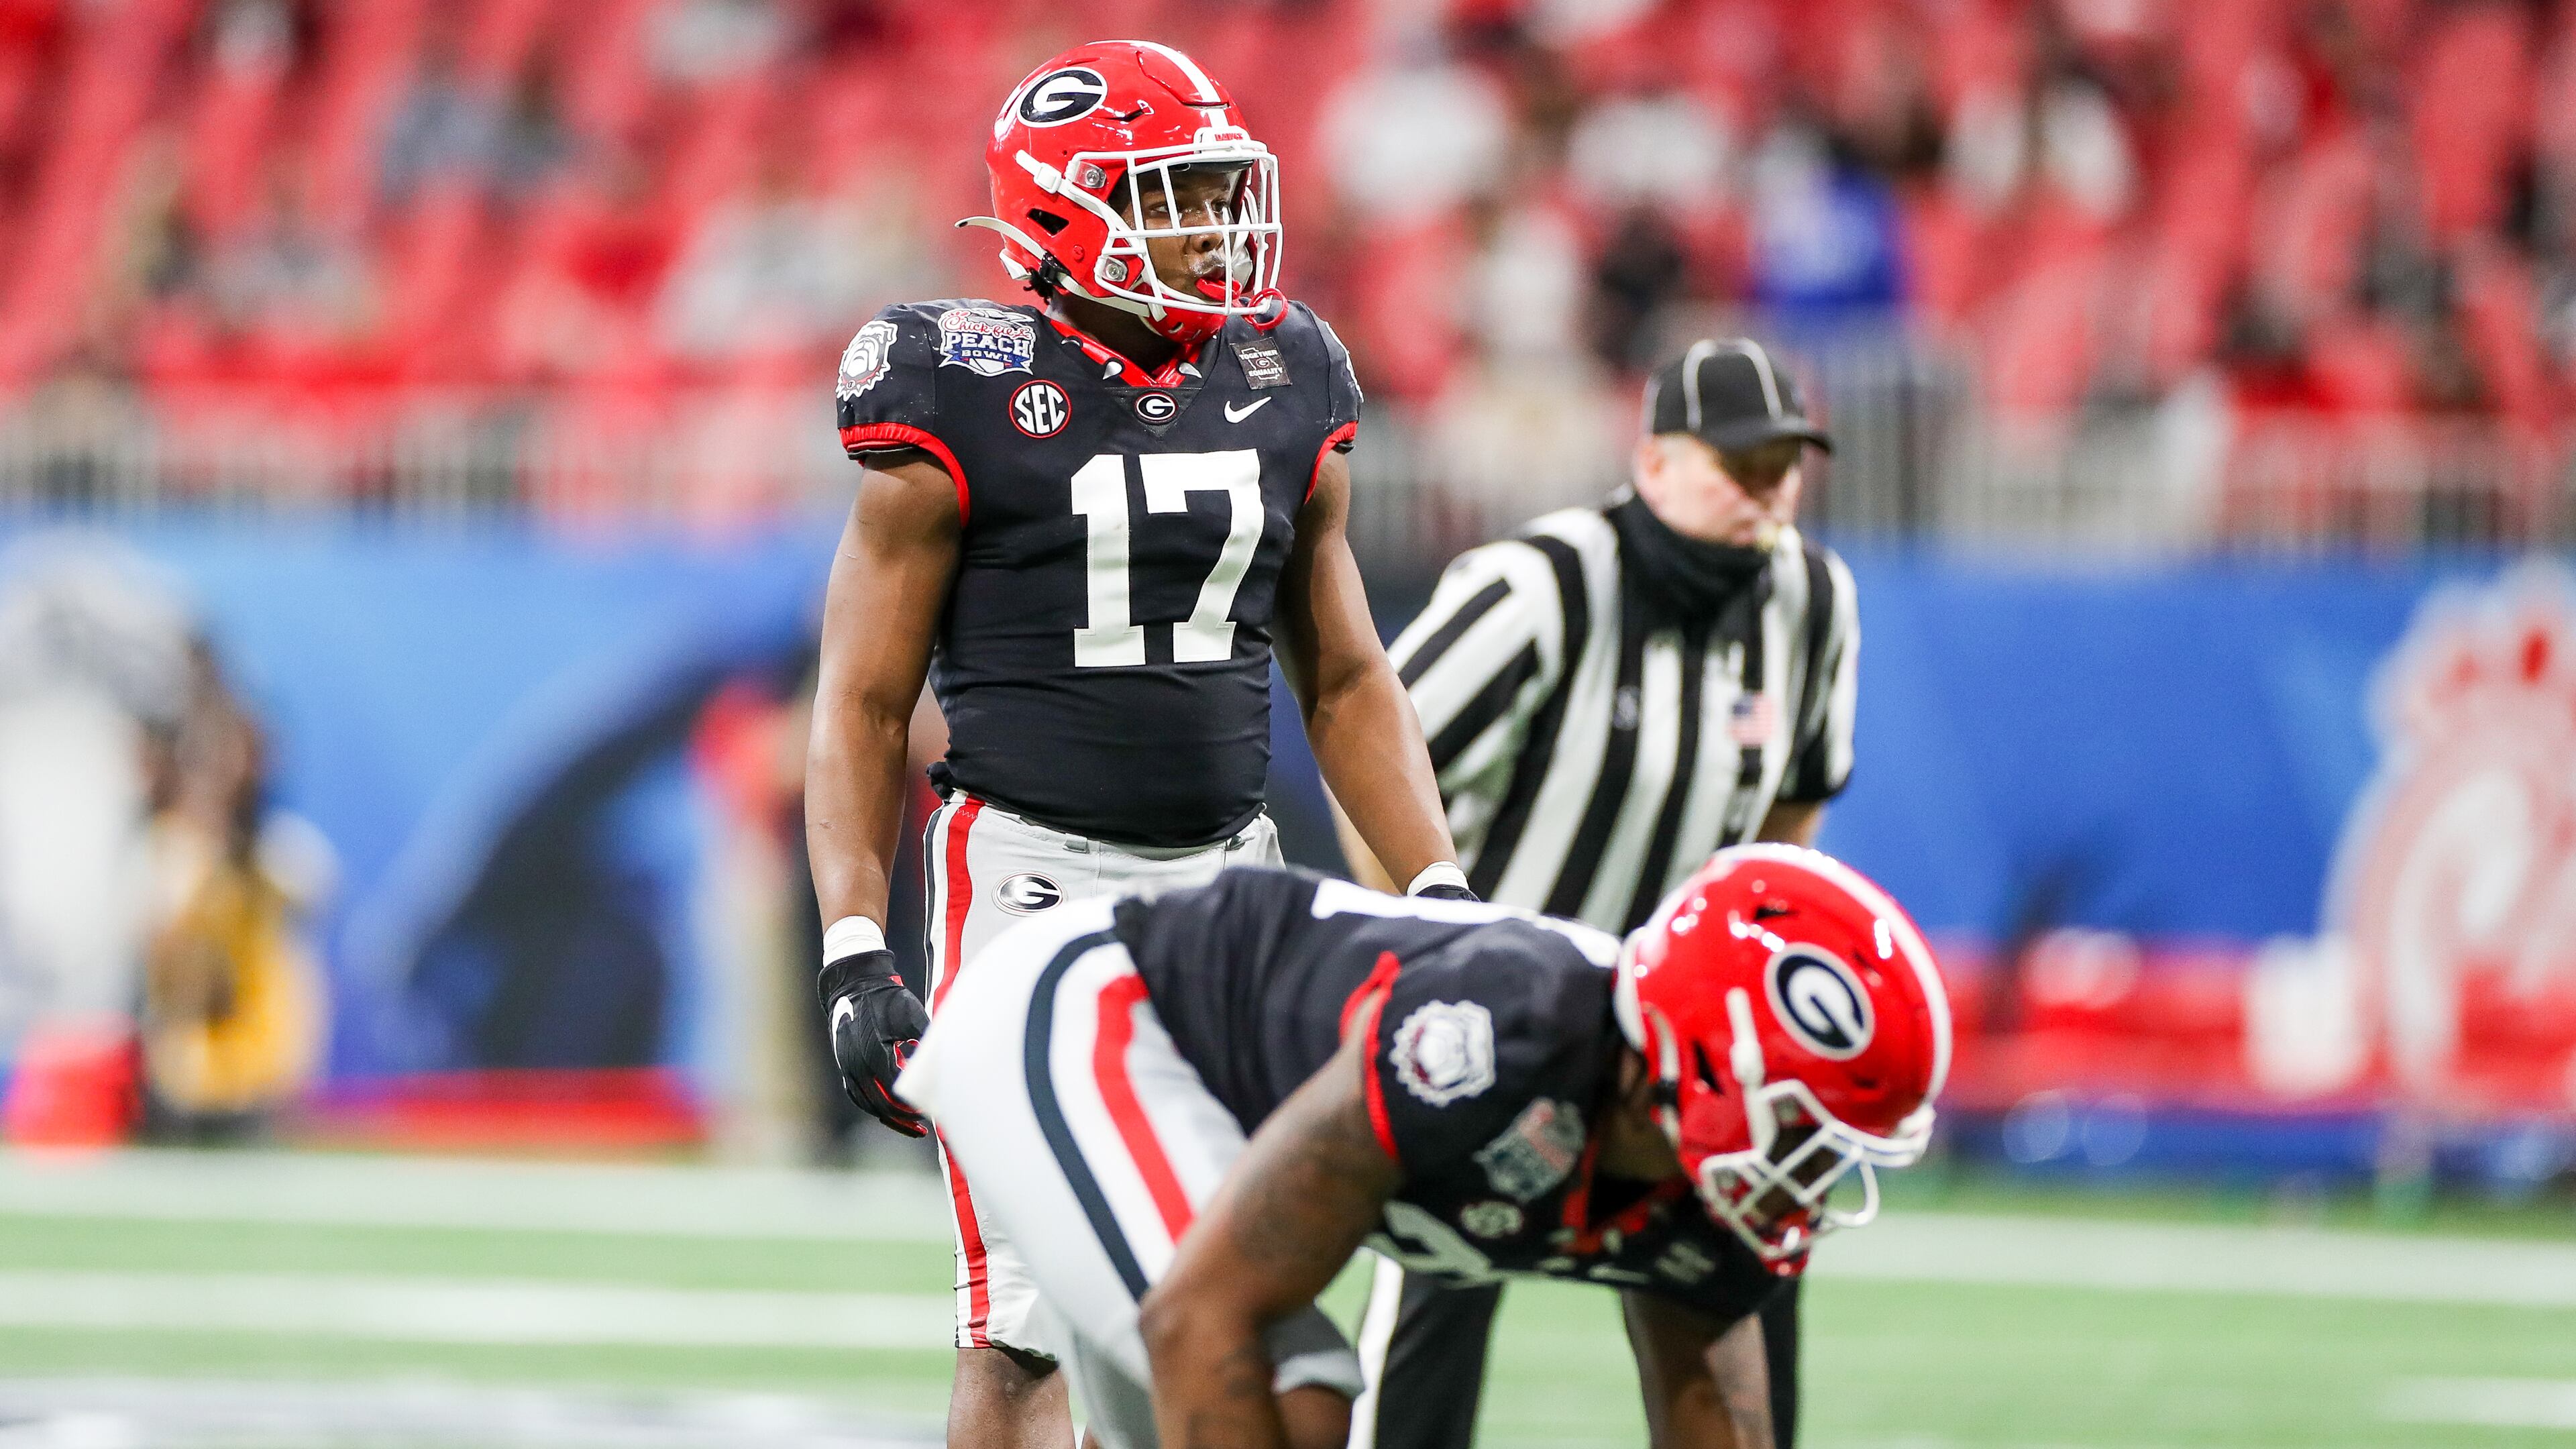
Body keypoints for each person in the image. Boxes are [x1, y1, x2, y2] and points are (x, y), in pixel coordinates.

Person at [805, 40, 1474, 1449]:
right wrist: (857, 944)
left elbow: (1347, 676)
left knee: (1243, 1280)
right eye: (1170, 196)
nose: (1213, 229)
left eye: (1222, 191)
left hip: (1238, 891)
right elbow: (862, 704)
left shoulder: (1289, 369)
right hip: (1031, 895)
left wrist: (1440, 894)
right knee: (1027, 1331)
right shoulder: (956, 383)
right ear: (1061, 213)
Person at [897, 846, 1952, 1449]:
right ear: (1708, 1063)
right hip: (1091, 1011)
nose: (1814, 1173)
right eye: (1806, 1126)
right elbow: (1206, 1309)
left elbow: (1714, 1417)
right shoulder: (1509, 1035)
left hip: (1208, 1103)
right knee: (1282, 1385)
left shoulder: (1705, 1192)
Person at [1340, 337, 1858, 1449]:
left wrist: (1750, 987)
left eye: (1785, 467)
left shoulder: (1813, 603)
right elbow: (1379, 752)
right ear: (1657, 461)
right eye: (1741, 464)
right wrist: (1412, 949)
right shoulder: (1544, 585)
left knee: (1742, 1291)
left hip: (1683, 1035)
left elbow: (1793, 817)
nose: (1768, 493)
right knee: (1438, 1285)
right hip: (1507, 1006)